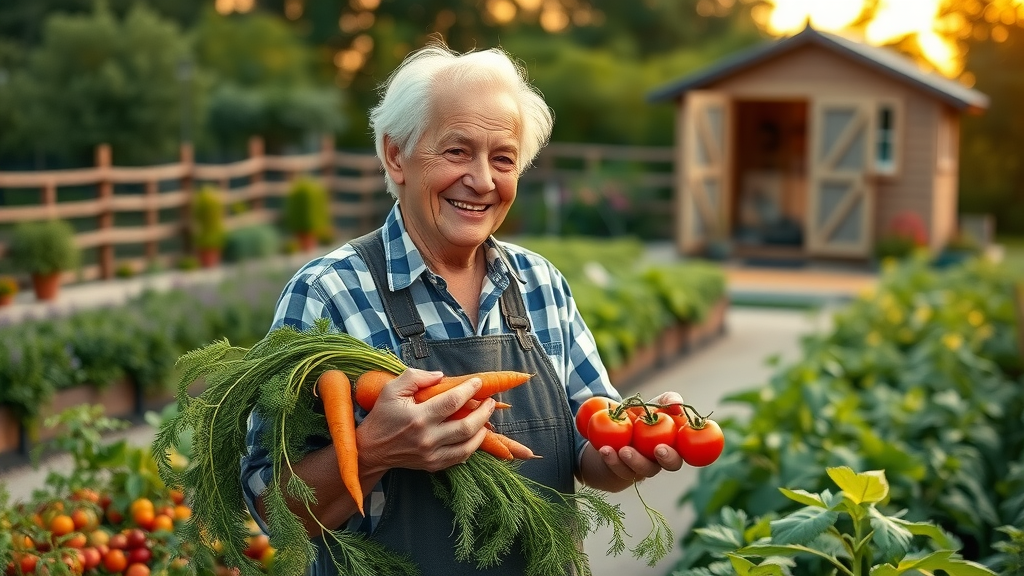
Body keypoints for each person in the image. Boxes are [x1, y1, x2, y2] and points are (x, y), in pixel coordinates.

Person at [240, 41, 685, 574]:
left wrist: (628, 455)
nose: (483, 180)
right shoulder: (328, 294)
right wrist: (374, 450)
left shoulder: (541, 283)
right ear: (396, 155)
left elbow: (592, 452)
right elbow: (272, 507)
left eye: (503, 159)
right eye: (456, 152)